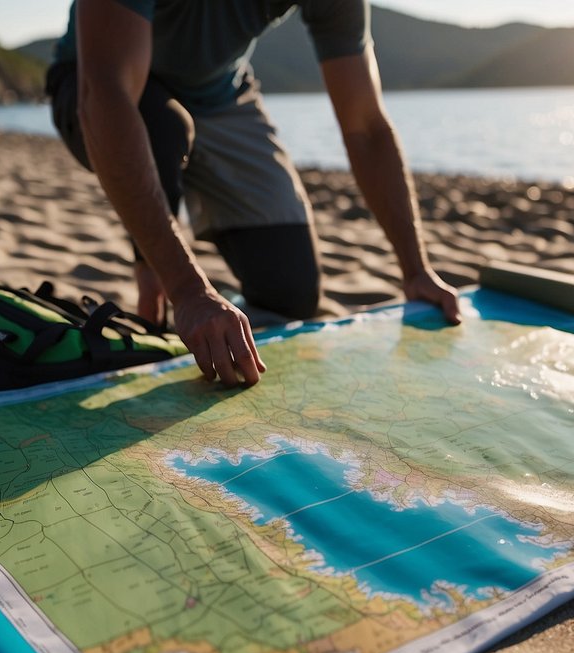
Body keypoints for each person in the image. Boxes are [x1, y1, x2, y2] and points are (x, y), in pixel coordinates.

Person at [46, 0, 461, 387]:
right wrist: (189, 291)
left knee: (292, 293)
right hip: (95, 81)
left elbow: (366, 126)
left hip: (220, 96)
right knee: (164, 128)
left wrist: (415, 269)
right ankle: (152, 287)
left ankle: (193, 293)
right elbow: (105, 92)